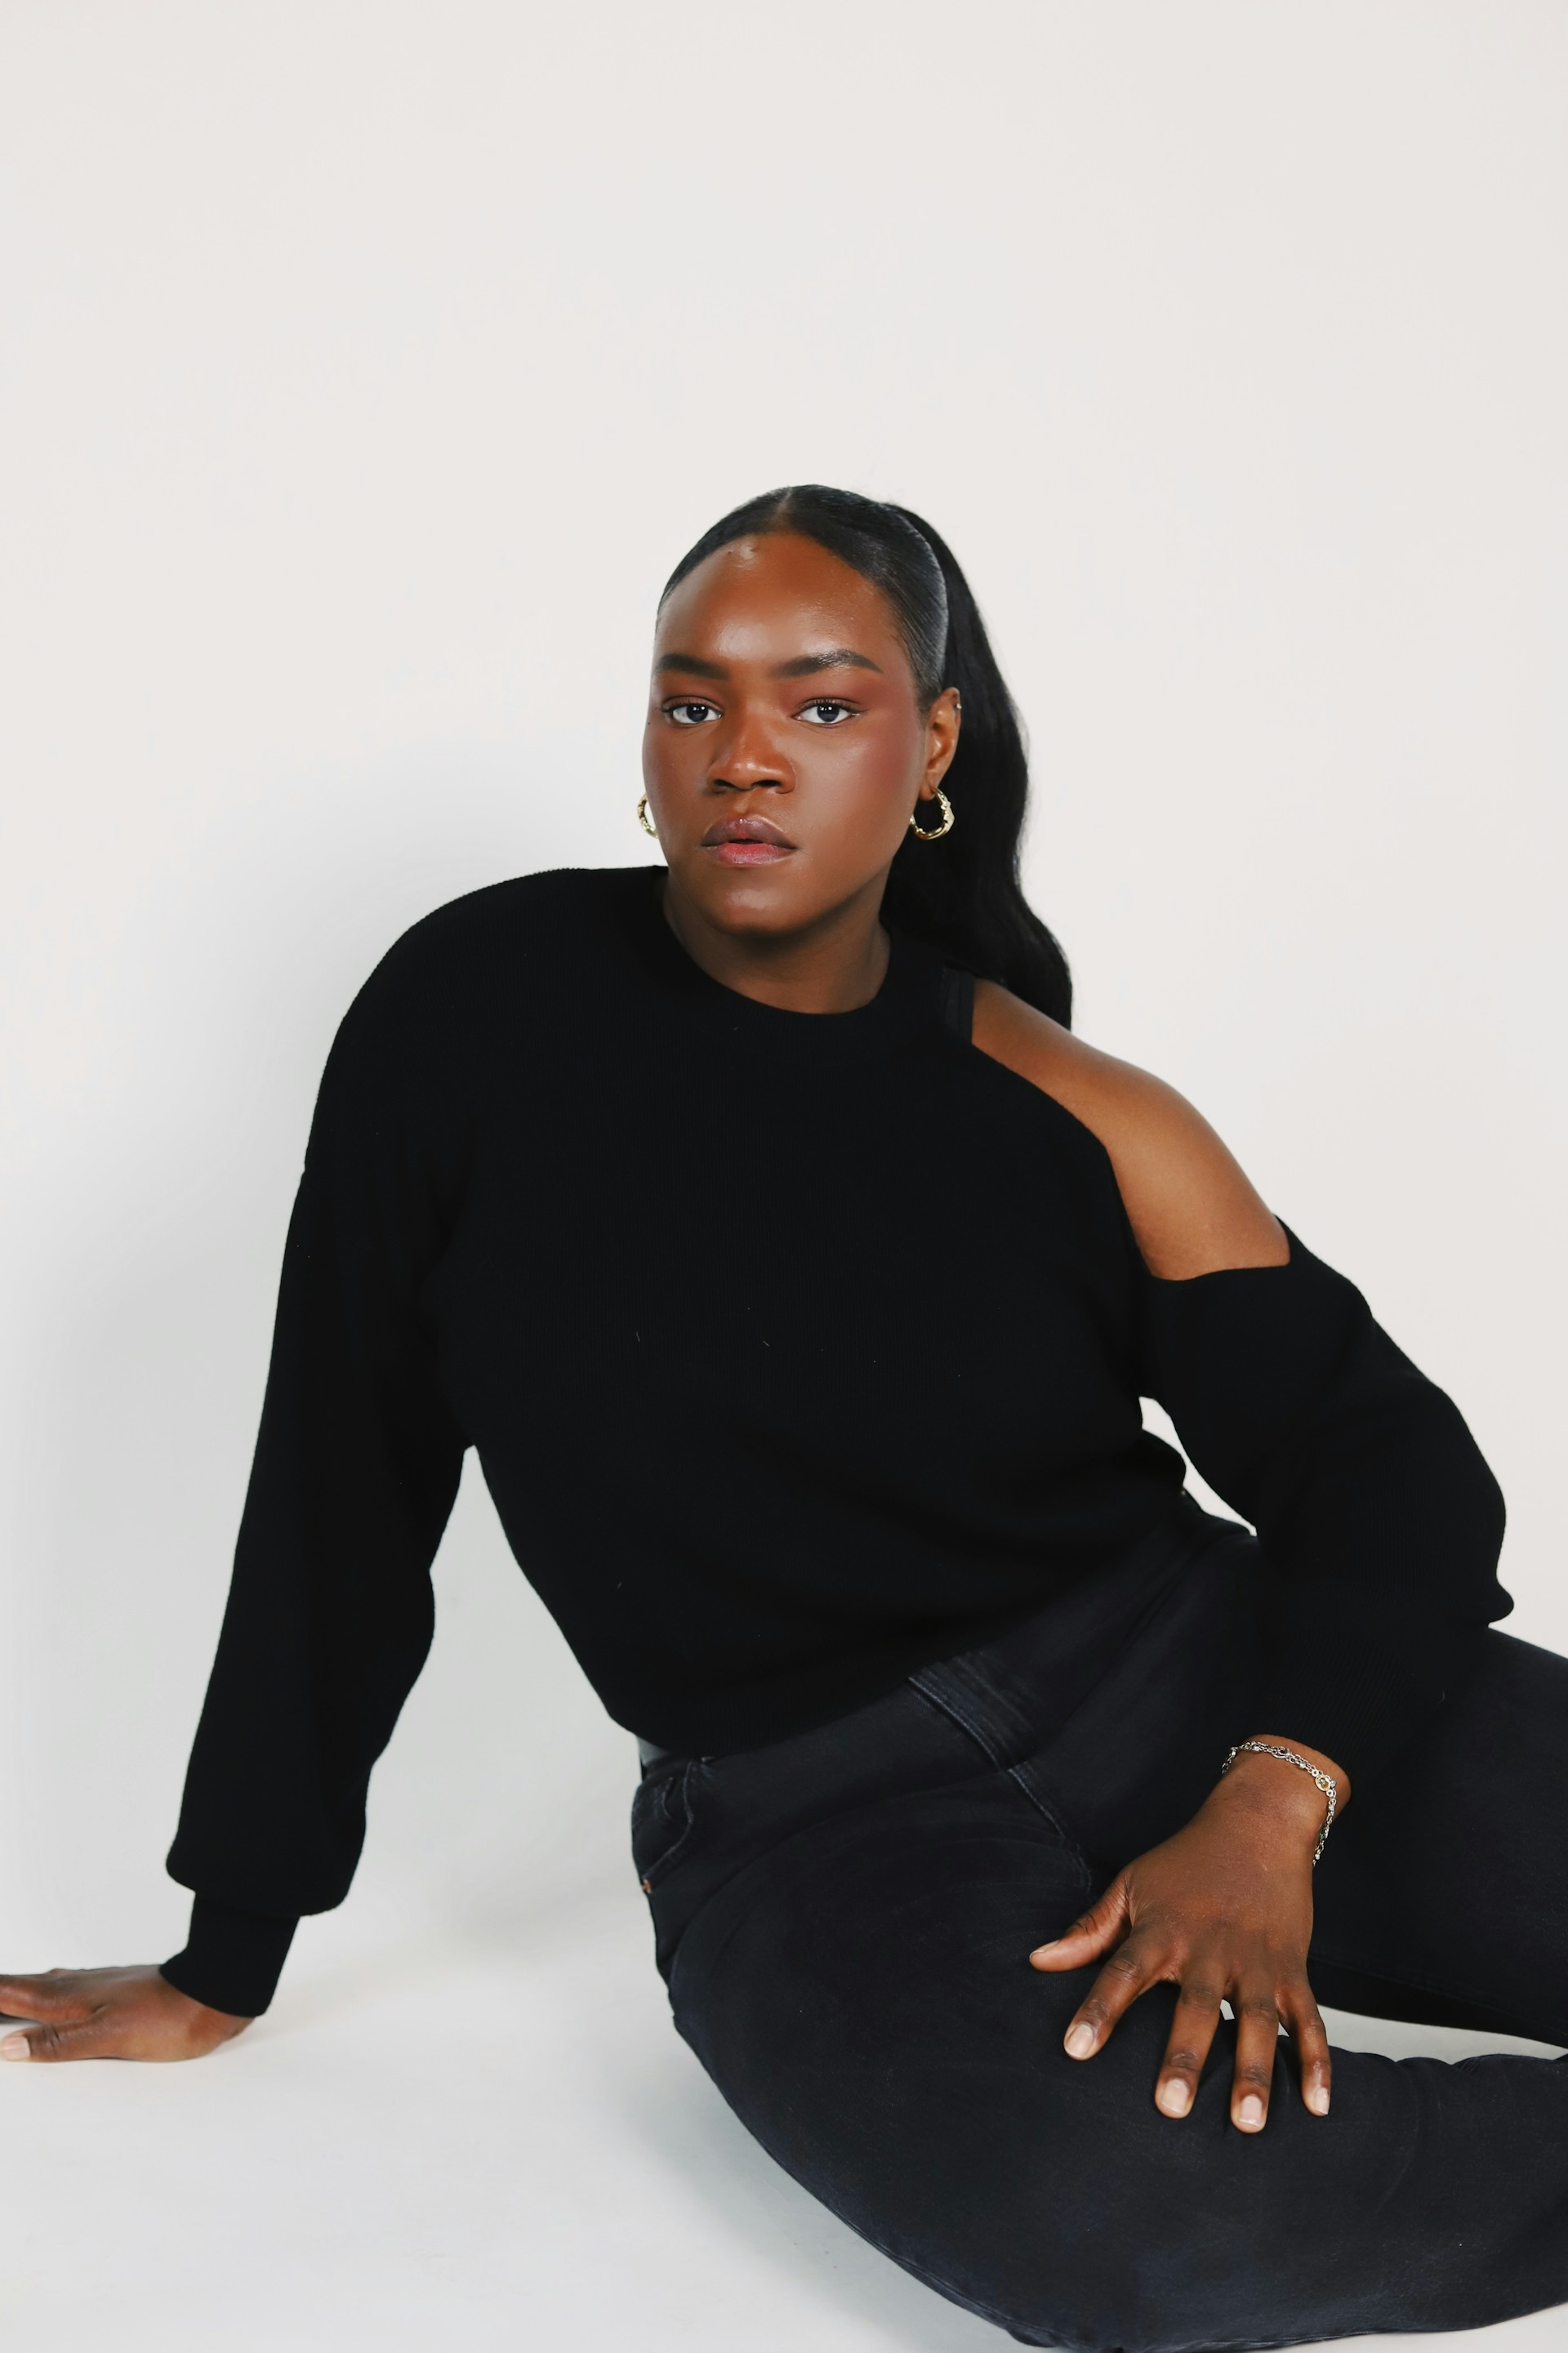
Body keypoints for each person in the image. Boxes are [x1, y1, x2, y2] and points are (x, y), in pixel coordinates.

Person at [2, 484, 1564, 2353]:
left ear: (934, 742)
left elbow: (1389, 1468)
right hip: (814, 1826)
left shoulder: (1075, 1105)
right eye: (693, 701)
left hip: (1197, 1672)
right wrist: (230, 1941)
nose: (747, 755)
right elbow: (346, 1479)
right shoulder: (470, 1016)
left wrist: (1270, 1799)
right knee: (1125, 2219)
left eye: (822, 705)